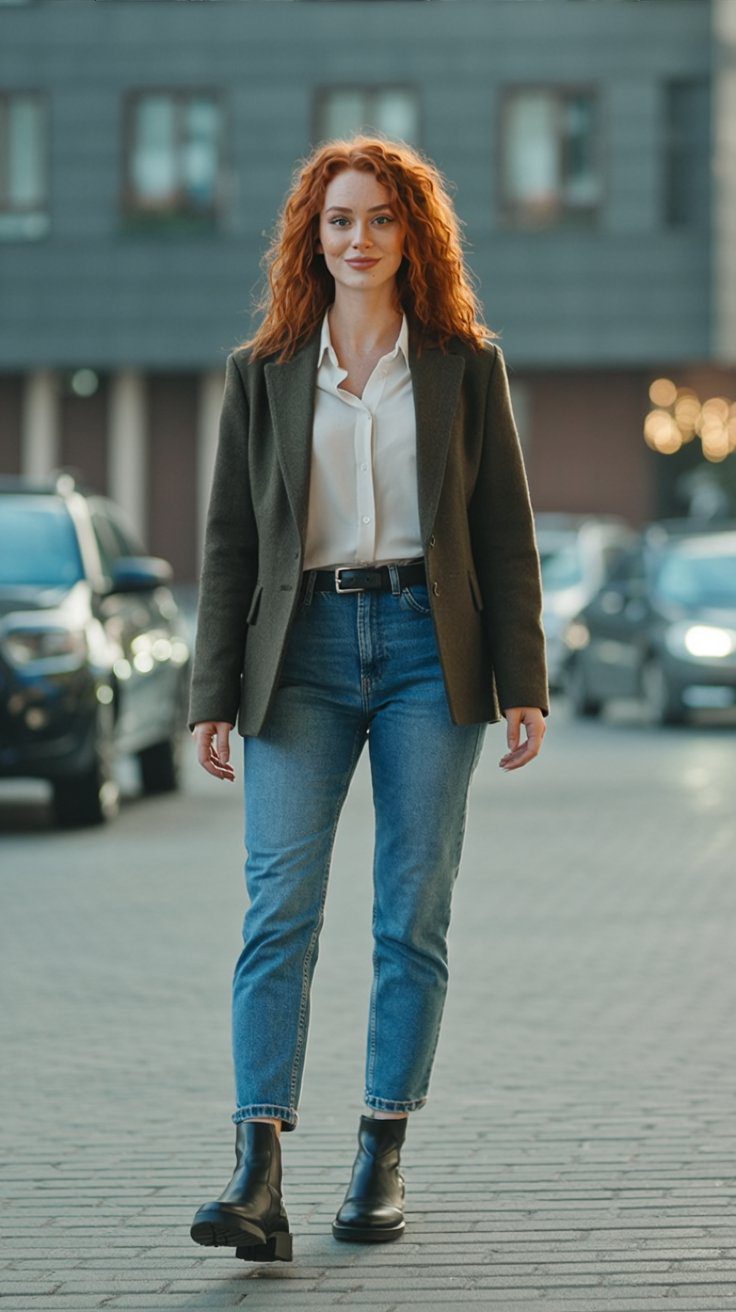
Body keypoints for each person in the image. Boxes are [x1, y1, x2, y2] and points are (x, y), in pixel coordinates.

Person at [187, 135, 549, 1264]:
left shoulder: (460, 364)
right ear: (313, 235)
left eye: (381, 219)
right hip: (293, 658)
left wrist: (523, 678)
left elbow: (503, 531)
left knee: (410, 912)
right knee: (276, 912)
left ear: (413, 236)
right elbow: (231, 542)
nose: (359, 238)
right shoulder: (265, 370)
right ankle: (256, 1169)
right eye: (339, 219)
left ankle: (381, 1149)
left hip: (423, 652)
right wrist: (210, 691)